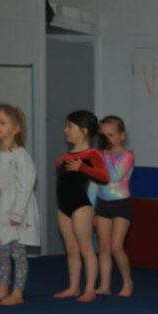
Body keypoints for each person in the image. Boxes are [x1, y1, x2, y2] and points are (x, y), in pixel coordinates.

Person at [0, 104, 39, 306]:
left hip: (16, 209)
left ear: (15, 129)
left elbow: (25, 186)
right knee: (1, 251)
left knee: (17, 252)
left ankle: (18, 292)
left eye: (3, 122)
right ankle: (2, 289)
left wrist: (17, 213)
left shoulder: (20, 156)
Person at [54, 109, 109, 302]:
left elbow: (104, 176)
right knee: (71, 249)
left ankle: (89, 289)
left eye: (70, 127)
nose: (65, 130)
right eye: (66, 126)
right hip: (63, 206)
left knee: (85, 247)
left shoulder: (92, 154)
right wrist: (61, 162)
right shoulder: (66, 155)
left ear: (84, 131)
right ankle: (73, 287)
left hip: (81, 206)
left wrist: (82, 167)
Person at [94, 115, 135, 297]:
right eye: (103, 136)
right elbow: (95, 181)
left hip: (121, 204)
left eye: (110, 135)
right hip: (103, 203)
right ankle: (105, 285)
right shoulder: (100, 155)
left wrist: (105, 155)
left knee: (116, 247)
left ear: (121, 136)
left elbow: (114, 176)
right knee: (103, 247)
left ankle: (128, 282)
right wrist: (92, 206)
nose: (107, 139)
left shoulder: (127, 155)